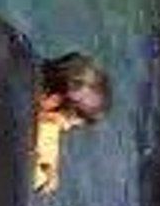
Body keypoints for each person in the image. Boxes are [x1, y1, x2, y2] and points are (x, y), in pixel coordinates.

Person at [34, 53, 112, 193]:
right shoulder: (18, 113)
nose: (65, 128)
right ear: (54, 100)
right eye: (68, 121)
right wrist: (43, 178)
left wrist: (50, 170)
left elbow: (48, 128)